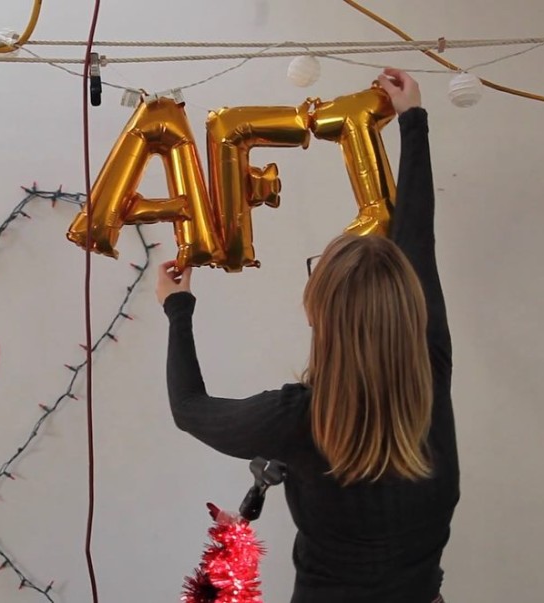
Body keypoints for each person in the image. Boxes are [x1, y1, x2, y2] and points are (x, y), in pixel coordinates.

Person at [156, 68, 456, 603]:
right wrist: (413, 120)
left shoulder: (298, 417)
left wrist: (178, 310)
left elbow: (189, 409)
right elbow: (418, 238)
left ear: (320, 314)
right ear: (408, 305)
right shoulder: (430, 368)